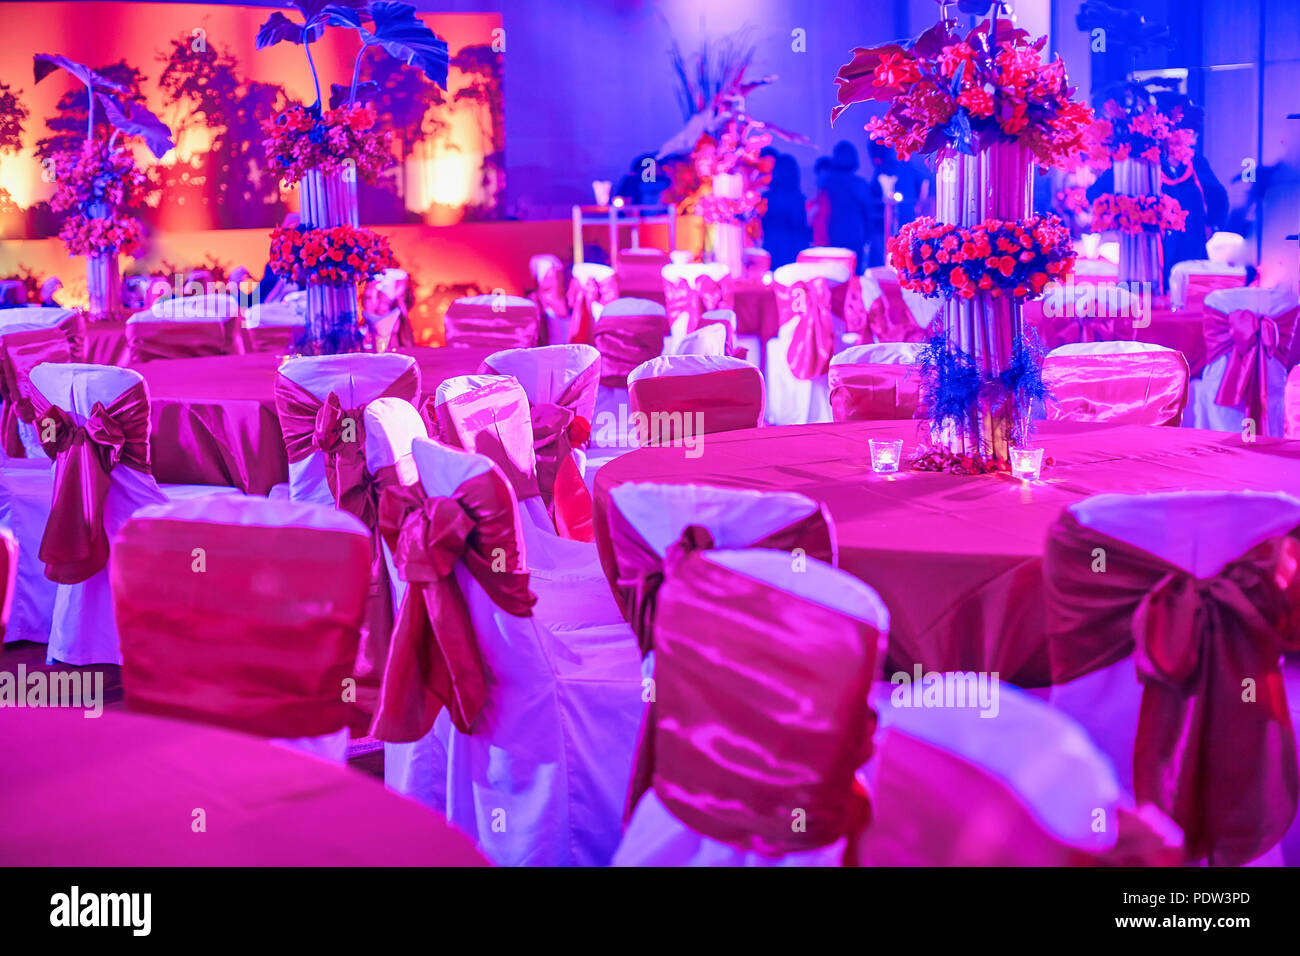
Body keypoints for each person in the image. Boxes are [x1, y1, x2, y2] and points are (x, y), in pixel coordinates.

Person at [821, 141, 874, 272]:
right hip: (855, 233)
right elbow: (868, 213)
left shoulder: (826, 182)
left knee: (834, 275)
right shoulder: (860, 184)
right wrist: (869, 235)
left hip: (833, 232)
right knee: (854, 274)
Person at [760, 153, 812, 268]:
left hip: (771, 247)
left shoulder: (766, 197)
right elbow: (799, 225)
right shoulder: (797, 198)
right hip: (793, 248)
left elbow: (762, 225)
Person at [807, 156, 832, 247]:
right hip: (817, 245)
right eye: (820, 174)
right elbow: (808, 220)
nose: (822, 177)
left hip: (834, 245)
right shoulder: (815, 197)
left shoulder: (837, 198)